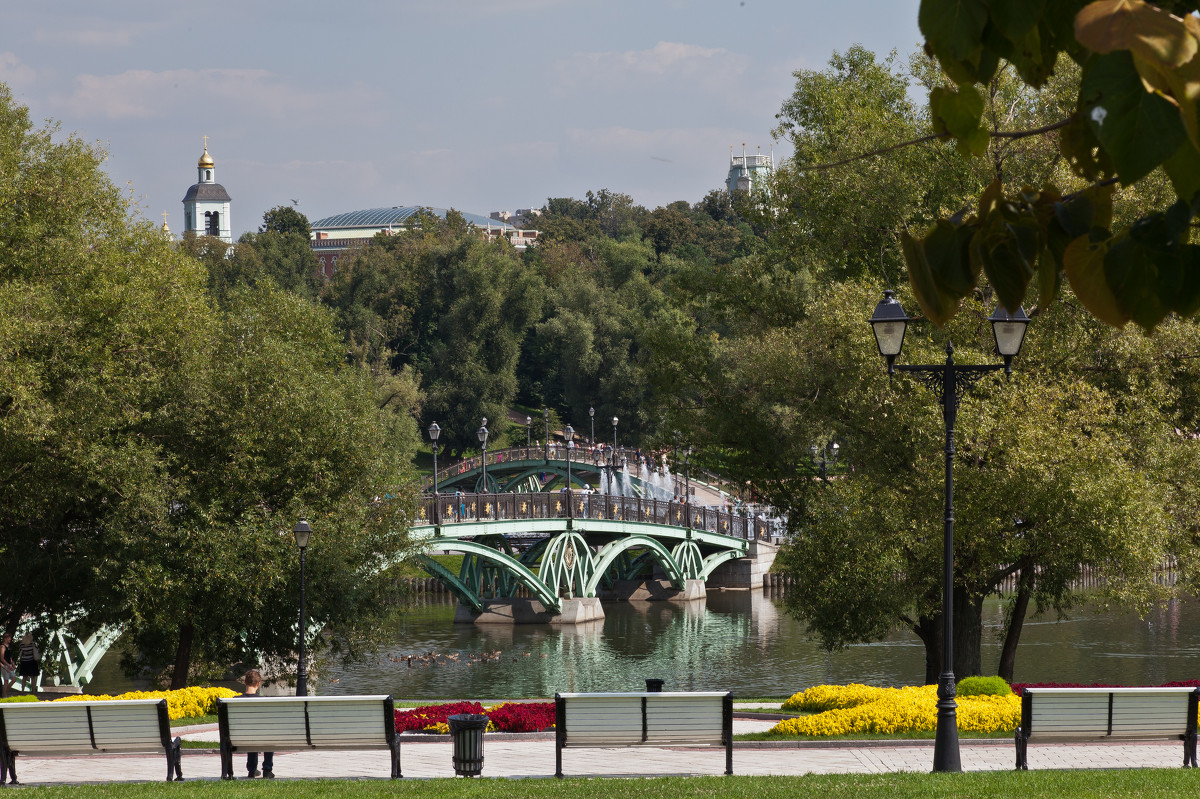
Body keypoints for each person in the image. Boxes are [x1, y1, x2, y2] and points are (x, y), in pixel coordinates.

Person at [241, 670, 274, 779]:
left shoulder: (235, 700)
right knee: (267, 736)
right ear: (258, 684)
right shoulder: (264, 701)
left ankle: (252, 770)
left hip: (241, 738)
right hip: (262, 737)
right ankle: (267, 770)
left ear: (245, 682)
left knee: (251, 734)